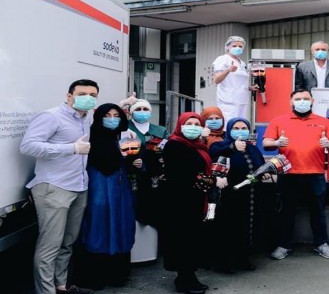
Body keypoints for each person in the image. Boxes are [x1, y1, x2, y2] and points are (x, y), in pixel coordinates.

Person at [19, 79, 98, 294]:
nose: (88, 98)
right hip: (54, 187)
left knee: (67, 243)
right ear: (69, 96)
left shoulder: (86, 117)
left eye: (93, 94)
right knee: (50, 246)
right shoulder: (52, 116)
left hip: (79, 186)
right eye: (83, 93)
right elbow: (28, 146)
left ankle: (61, 286)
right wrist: (71, 148)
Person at [263, 89, 329, 260]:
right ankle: (284, 245)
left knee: (318, 211)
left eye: (306, 98)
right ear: (291, 102)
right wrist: (277, 142)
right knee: (286, 211)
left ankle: (321, 244)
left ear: (312, 101)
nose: (302, 101)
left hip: (315, 174)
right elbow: (266, 143)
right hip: (288, 173)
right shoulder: (278, 121)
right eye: (298, 99)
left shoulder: (323, 122)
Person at [77, 103, 138, 289]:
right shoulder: (90, 136)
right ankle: (94, 276)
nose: (112, 119)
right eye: (107, 115)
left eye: (116, 115)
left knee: (120, 225)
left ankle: (117, 274)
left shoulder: (125, 136)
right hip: (98, 187)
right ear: (99, 117)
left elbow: (130, 162)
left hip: (120, 189)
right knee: (97, 225)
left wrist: (136, 160)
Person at [161, 112, 222, 294]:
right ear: (180, 125)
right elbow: (183, 174)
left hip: (196, 199)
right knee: (183, 239)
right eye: (189, 123)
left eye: (197, 123)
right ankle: (184, 279)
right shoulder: (174, 145)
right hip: (180, 201)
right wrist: (212, 181)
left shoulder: (198, 146)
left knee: (193, 239)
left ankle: (189, 276)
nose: (193, 126)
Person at [208, 117, 265, 273]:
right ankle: (225, 262)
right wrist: (232, 147)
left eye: (244, 128)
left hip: (250, 195)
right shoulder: (221, 145)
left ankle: (243, 258)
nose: (241, 131)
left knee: (246, 227)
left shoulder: (252, 148)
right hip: (229, 195)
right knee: (228, 227)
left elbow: (259, 165)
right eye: (237, 128)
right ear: (229, 129)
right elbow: (213, 155)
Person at [126, 99, 170, 262]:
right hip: (132, 178)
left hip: (154, 179)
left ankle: (151, 251)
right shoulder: (125, 129)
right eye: (139, 109)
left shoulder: (160, 130)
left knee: (153, 210)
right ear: (131, 112)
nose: (142, 111)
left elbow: (168, 151)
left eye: (146, 109)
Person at [212, 36, 258, 123]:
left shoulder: (242, 63)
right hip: (228, 100)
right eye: (234, 46)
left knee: (239, 125)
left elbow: (238, 82)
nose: (237, 48)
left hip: (242, 100)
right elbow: (216, 80)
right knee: (229, 125)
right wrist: (228, 70)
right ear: (227, 47)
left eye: (240, 46)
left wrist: (250, 88)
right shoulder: (223, 59)